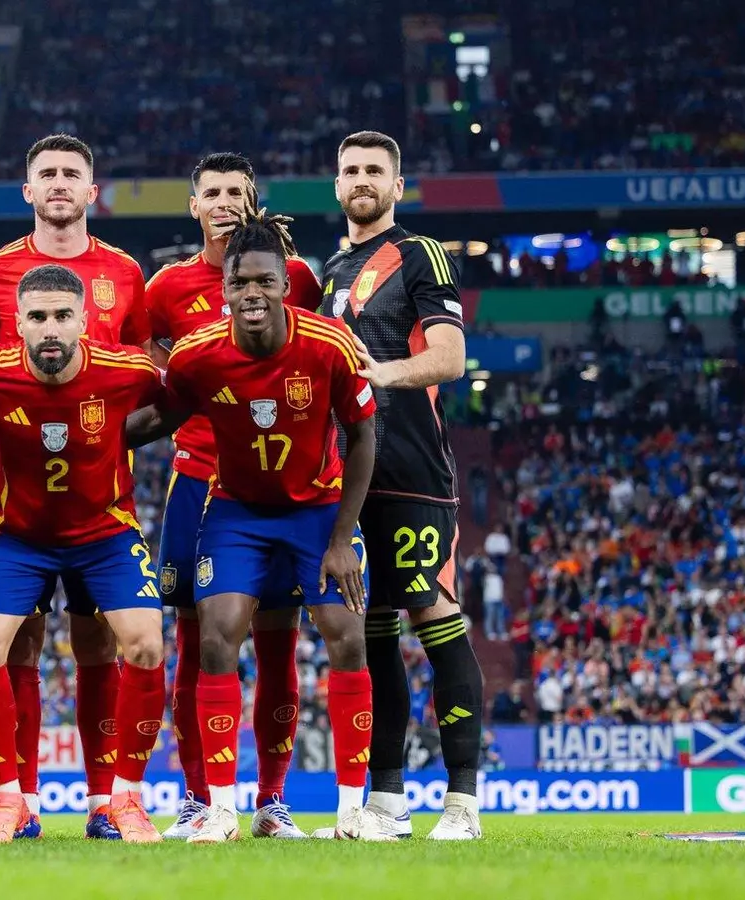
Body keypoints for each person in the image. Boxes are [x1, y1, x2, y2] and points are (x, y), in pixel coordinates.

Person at [128, 212, 384, 841]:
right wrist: (90, 436)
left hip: (318, 508)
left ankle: (351, 812)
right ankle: (220, 809)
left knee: (347, 637)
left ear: (285, 286)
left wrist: (342, 539)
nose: (251, 293)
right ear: (224, 289)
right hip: (236, 511)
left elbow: (362, 436)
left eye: (264, 281)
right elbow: (161, 419)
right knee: (216, 640)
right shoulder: (198, 355)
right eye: (239, 282)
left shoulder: (329, 344)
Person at [0, 133, 153, 838]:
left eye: (72, 173)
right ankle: (20, 800)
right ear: (28, 190)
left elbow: (152, 378)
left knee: (101, 648)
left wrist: (111, 436)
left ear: (92, 191)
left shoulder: (124, 272)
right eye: (47, 174)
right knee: (18, 647)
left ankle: (106, 801)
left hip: (103, 505)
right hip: (19, 507)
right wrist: (13, 427)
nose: (60, 183)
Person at [142, 151, 323, 840]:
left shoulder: (297, 277)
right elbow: (156, 374)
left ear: (253, 201)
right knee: (196, 644)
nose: (223, 202)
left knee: (279, 645)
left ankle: (272, 802)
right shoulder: (166, 289)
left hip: (281, 490)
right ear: (193, 205)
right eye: (211, 192)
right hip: (198, 482)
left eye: (235, 192)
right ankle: (199, 798)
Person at [319, 131, 480, 840]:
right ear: (336, 185)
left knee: (433, 619)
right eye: (350, 170)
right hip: (350, 481)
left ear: (397, 185)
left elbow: (450, 357)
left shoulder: (421, 254)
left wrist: (380, 373)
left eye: (374, 171)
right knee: (372, 635)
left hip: (414, 473)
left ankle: (463, 804)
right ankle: (385, 804)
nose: (361, 180)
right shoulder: (331, 270)